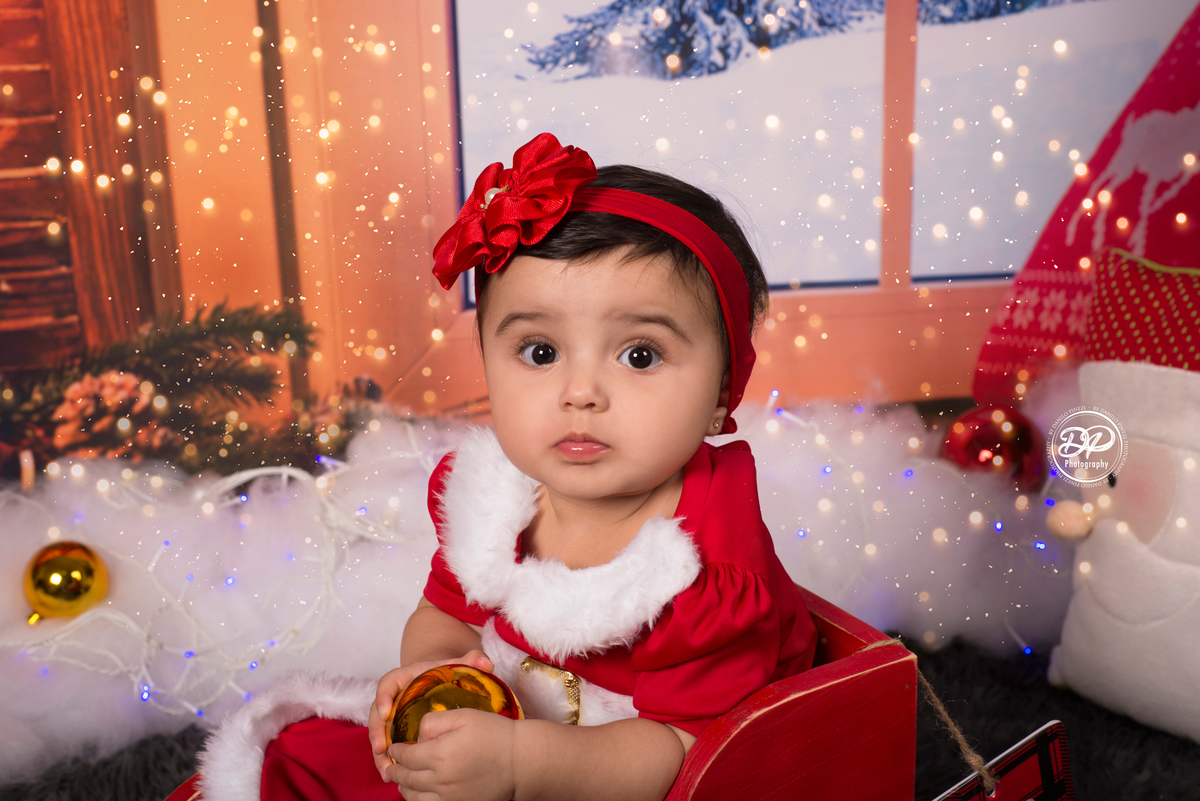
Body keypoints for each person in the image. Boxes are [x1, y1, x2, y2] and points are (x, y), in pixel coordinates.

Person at [248, 132, 817, 801]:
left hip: (624, 770)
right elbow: (445, 613)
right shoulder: (497, 499)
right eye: (540, 352)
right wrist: (435, 677)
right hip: (507, 727)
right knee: (295, 759)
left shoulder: (702, 569)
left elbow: (686, 749)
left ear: (721, 393)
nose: (580, 392)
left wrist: (520, 764)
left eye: (639, 355)